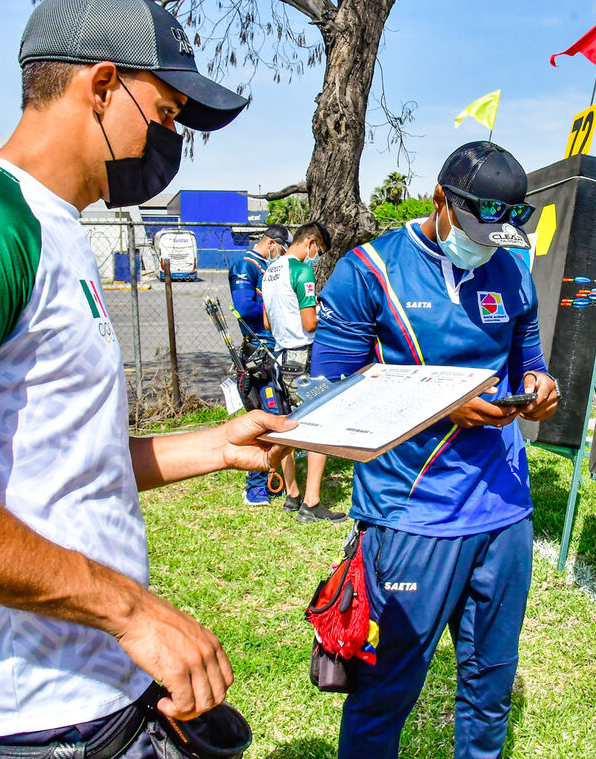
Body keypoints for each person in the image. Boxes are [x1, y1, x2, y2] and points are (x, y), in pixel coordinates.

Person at [0, 0, 296, 757]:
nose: (172, 139)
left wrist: (213, 446)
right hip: (21, 720)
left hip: (92, 697)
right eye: (168, 112)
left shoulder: (58, 229)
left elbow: (58, 461)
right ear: (104, 86)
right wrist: (132, 613)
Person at [311, 141, 559, 759]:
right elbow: (331, 396)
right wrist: (444, 408)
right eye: (478, 226)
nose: (488, 241)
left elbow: (528, 360)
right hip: (411, 515)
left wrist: (540, 385)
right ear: (441, 199)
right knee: (383, 694)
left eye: (502, 229)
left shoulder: (512, 271)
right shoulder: (370, 271)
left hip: (503, 512)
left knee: (489, 688)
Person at [261, 221, 346, 524]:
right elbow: (310, 323)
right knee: (320, 425)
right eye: (318, 251)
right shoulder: (302, 270)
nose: (316, 257)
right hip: (303, 354)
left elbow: (268, 323)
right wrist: (328, 316)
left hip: (280, 356)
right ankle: (312, 503)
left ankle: (292, 495)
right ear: (310, 242)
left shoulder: (270, 270)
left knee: (287, 426)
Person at [229, 223, 293, 506]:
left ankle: (271, 478)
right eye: (281, 250)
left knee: (279, 413)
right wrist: (274, 305)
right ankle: (256, 488)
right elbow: (243, 307)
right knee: (265, 416)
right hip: (258, 349)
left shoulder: (268, 267)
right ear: (271, 243)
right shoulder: (246, 265)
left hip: (275, 346)